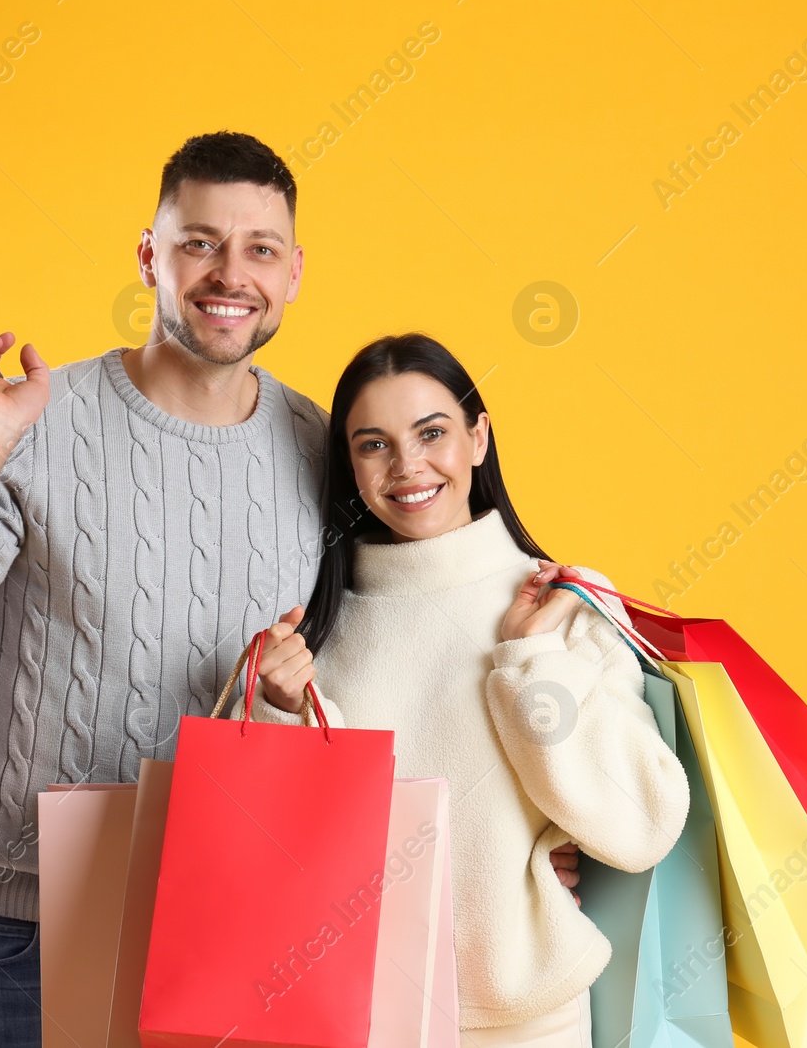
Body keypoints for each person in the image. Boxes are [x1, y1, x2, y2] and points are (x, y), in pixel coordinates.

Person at [0, 131, 331, 1047]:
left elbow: (401, 655)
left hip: (245, 925)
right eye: (200, 241)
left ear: (294, 272)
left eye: (260, 248)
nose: (231, 274)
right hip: (33, 933)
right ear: (150, 254)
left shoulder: (321, 448)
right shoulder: (39, 426)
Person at [245, 333, 690, 1047]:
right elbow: (261, 849)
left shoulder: (558, 604)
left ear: (478, 438)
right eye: (372, 444)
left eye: (432, 432)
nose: (408, 465)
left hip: (523, 1026)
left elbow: (641, 825)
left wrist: (531, 658)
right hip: (345, 1018)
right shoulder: (314, 626)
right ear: (348, 467)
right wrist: (275, 708)